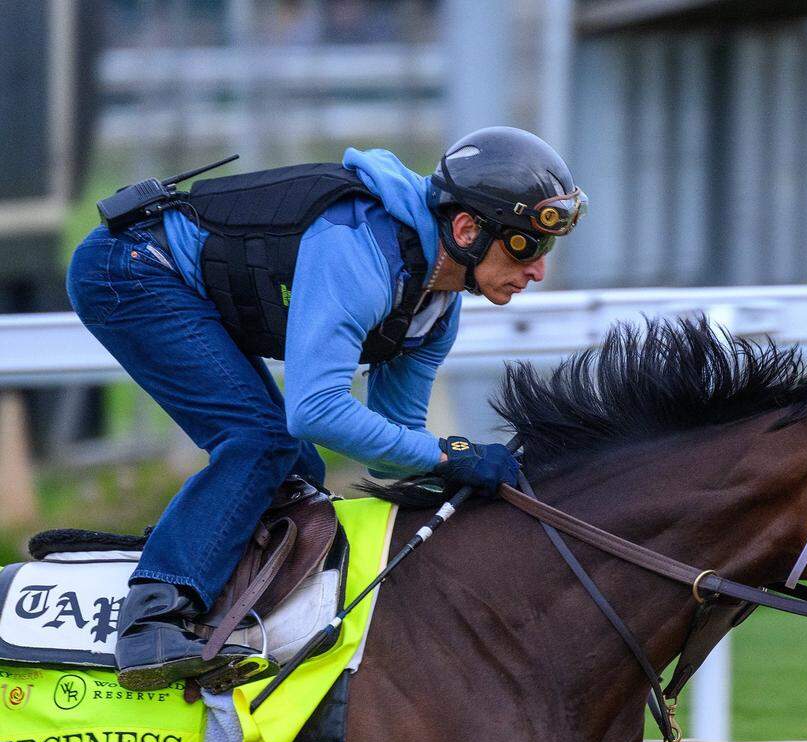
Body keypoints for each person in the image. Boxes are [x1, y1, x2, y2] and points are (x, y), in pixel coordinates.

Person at [66, 126, 586, 692]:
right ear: (466, 229)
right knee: (262, 443)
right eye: (526, 246)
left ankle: (230, 611)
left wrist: (459, 470)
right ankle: (152, 620)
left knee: (300, 468)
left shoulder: (436, 310)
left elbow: (393, 448)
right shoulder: (357, 249)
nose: (539, 270)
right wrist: (451, 453)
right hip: (131, 267)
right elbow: (314, 411)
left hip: (183, 283)